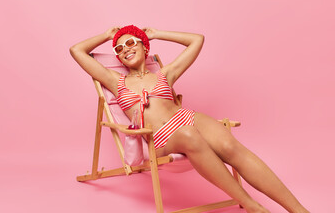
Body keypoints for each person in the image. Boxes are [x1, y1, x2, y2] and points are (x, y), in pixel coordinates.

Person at [69, 25, 309, 213]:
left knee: (229, 145)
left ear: (144, 47)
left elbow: (197, 40)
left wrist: (157, 33)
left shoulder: (165, 74)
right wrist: (106, 34)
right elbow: (76, 50)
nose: (124, 50)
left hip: (186, 118)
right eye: (118, 49)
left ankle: (299, 210)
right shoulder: (115, 80)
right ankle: (251, 205)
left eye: (130, 43)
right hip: (160, 137)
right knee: (189, 134)